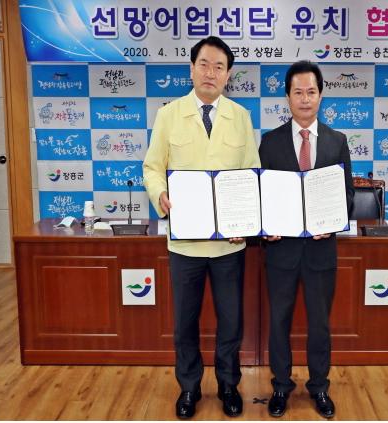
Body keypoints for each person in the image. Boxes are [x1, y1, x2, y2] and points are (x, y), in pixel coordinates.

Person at [143, 36, 260, 419]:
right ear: (191, 69)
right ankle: (189, 388)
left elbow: (251, 175)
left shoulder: (240, 117)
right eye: (204, 64)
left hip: (229, 244)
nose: (211, 73)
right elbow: (152, 168)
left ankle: (228, 385)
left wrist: (246, 220)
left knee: (231, 321)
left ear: (228, 75)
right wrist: (160, 194)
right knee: (184, 324)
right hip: (185, 245)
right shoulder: (169, 115)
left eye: (219, 67)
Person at [258, 61, 354, 419]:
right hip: (280, 250)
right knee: (279, 322)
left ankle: (319, 387)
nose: (304, 99)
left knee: (320, 324)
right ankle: (281, 387)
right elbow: (261, 195)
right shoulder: (270, 142)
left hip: (320, 250)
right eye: (297, 92)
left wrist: (333, 221)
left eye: (311, 92)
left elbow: (347, 196)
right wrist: (265, 224)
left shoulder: (336, 141)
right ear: (287, 97)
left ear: (321, 95)